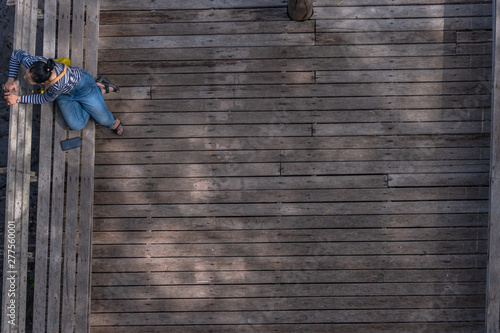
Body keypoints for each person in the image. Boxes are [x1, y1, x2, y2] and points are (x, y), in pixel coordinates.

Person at [3, 49, 123, 135]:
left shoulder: (55, 86)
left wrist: (18, 99)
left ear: (43, 83)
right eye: (27, 74)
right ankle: (99, 91)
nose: (24, 77)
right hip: (63, 93)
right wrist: (10, 79)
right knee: (76, 125)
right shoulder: (33, 64)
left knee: (104, 120)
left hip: (84, 88)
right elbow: (16, 54)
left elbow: (44, 98)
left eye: (28, 79)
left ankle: (99, 93)